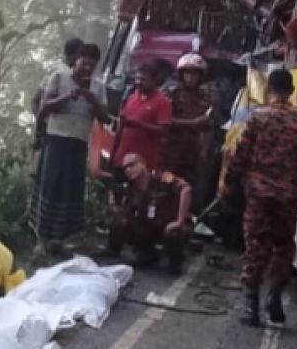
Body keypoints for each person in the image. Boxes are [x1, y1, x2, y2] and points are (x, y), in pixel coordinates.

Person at [220, 69, 297, 327]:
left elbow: (240, 155)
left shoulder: (258, 118)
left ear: (268, 90)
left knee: (256, 245)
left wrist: (229, 181)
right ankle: (275, 296)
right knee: (283, 247)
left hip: (259, 193)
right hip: (289, 195)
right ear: (292, 91)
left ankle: (250, 305)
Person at [31, 43, 109, 257]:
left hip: (79, 142)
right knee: (51, 186)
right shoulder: (58, 77)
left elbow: (105, 118)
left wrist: (92, 100)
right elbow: (44, 107)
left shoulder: (98, 87)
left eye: (91, 66)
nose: (87, 69)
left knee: (72, 190)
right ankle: (42, 238)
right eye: (84, 63)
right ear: (76, 60)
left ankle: (65, 239)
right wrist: (68, 97)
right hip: (56, 139)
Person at [105, 152, 192, 275]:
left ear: (143, 164)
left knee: (174, 233)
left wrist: (180, 220)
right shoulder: (130, 189)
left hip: (168, 225)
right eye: (125, 168)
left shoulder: (162, 178)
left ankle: (176, 262)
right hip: (149, 226)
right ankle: (146, 253)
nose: (128, 170)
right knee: (121, 220)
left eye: (132, 165)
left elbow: (186, 189)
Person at [163, 53, 214, 211]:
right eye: (187, 73)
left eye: (195, 73)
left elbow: (210, 124)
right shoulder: (171, 93)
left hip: (195, 150)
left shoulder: (207, 96)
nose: (191, 77)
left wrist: (205, 151)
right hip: (173, 148)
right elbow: (165, 120)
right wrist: (191, 123)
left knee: (192, 187)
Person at [112, 62, 172, 172]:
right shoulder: (131, 97)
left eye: (143, 80)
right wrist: (113, 153)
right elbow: (120, 127)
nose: (138, 82)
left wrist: (138, 124)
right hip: (122, 159)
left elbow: (164, 131)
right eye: (137, 79)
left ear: (154, 81)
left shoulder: (163, 102)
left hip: (144, 163)